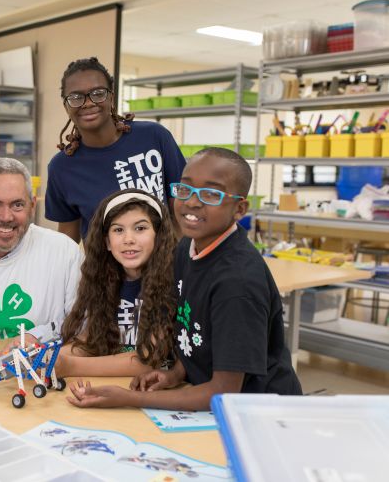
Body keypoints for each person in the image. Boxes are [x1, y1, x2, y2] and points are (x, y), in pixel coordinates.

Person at [67, 147, 302, 411]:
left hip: (261, 412)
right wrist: (176, 373)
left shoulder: (237, 283)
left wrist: (131, 399)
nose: (192, 202)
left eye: (211, 194)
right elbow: (194, 332)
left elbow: (223, 392)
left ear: (240, 209)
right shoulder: (186, 249)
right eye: (185, 189)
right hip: (205, 395)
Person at [45, 57, 186, 242]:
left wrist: (186, 265)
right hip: (104, 270)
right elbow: (67, 240)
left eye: (97, 93)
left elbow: (182, 208)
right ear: (66, 106)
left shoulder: (154, 137)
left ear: (111, 96)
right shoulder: (61, 167)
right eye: (76, 97)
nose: (87, 103)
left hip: (164, 266)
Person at [0, 158, 82, 348]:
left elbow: (82, 325)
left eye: (17, 205)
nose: (6, 217)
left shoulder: (64, 252)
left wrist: (37, 336)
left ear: (32, 207)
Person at [57, 189, 177, 378]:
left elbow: (149, 360)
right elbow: (89, 343)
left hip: (158, 395)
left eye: (140, 228)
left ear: (158, 235)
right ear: (107, 242)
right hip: (115, 386)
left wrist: (70, 366)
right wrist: (47, 355)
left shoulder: (172, 281)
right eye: (118, 230)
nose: (128, 239)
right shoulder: (103, 281)